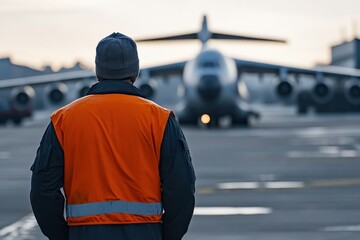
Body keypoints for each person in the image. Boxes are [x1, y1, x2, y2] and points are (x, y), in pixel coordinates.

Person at [30, 32, 196, 240]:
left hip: (84, 233)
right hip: (145, 233)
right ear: (135, 70)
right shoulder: (160, 119)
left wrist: (62, 236)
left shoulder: (64, 120)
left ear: (98, 70)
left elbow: (42, 190)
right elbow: (181, 190)